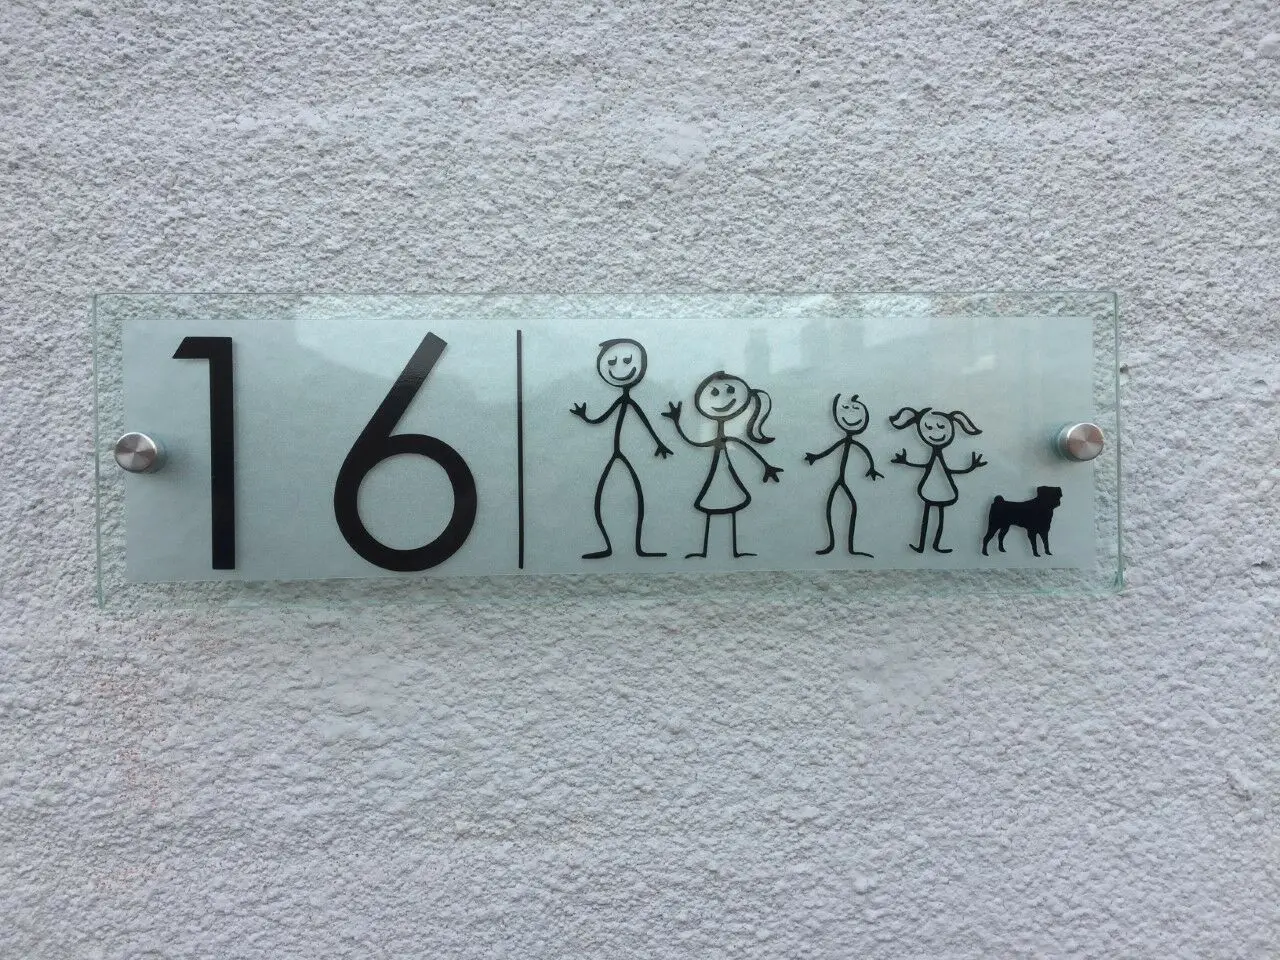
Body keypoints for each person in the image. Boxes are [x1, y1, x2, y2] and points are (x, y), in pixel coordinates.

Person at [570, 339, 673, 558]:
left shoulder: (629, 401)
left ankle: (637, 547)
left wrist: (659, 443)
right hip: (616, 453)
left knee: (635, 496)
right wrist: (585, 417)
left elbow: (644, 421)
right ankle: (609, 546)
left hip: (629, 453)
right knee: (602, 497)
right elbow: (602, 418)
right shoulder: (621, 401)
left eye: (627, 360)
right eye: (612, 362)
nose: (619, 368)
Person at [662, 371, 782, 558]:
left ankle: (734, 550)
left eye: (730, 391)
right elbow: (694, 442)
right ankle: (705, 551)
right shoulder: (722, 438)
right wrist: (677, 422)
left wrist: (766, 466)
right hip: (718, 474)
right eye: (714, 393)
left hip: (723, 473)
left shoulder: (729, 438)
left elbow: (745, 447)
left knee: (729, 510)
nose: (722, 399)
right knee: (713, 510)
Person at [889, 406, 987, 553]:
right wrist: (905, 462)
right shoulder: (934, 456)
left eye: (941, 427)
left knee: (939, 516)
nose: (935, 432)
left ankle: (935, 544)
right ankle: (921, 545)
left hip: (941, 489)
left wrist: (971, 467)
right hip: (930, 487)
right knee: (928, 515)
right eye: (928, 428)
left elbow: (948, 470)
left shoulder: (938, 457)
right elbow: (929, 466)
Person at [803, 393, 882, 556]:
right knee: (831, 506)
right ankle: (832, 544)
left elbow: (865, 453)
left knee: (851, 506)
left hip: (849, 480)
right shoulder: (845, 441)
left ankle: (850, 547)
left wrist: (872, 468)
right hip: (840, 480)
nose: (850, 414)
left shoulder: (854, 442)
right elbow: (829, 450)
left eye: (856, 410)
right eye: (844, 408)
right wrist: (815, 457)